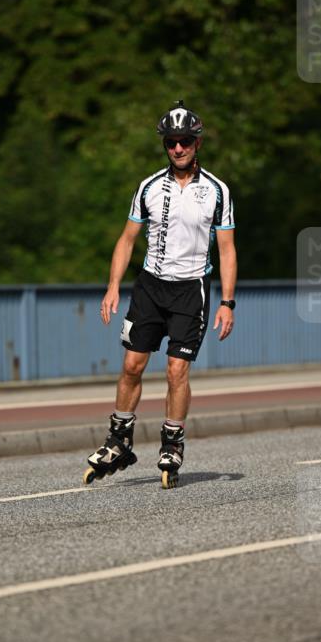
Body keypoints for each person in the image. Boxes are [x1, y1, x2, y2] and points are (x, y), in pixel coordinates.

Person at [84, 101, 237, 488]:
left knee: (176, 371)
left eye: (185, 141)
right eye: (172, 142)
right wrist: (113, 285)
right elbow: (127, 238)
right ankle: (119, 440)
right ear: (165, 145)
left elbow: (227, 250)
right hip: (151, 286)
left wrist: (227, 302)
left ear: (197, 143)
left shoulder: (217, 191)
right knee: (132, 365)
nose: (178, 149)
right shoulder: (149, 186)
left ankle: (172, 443)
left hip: (191, 290)